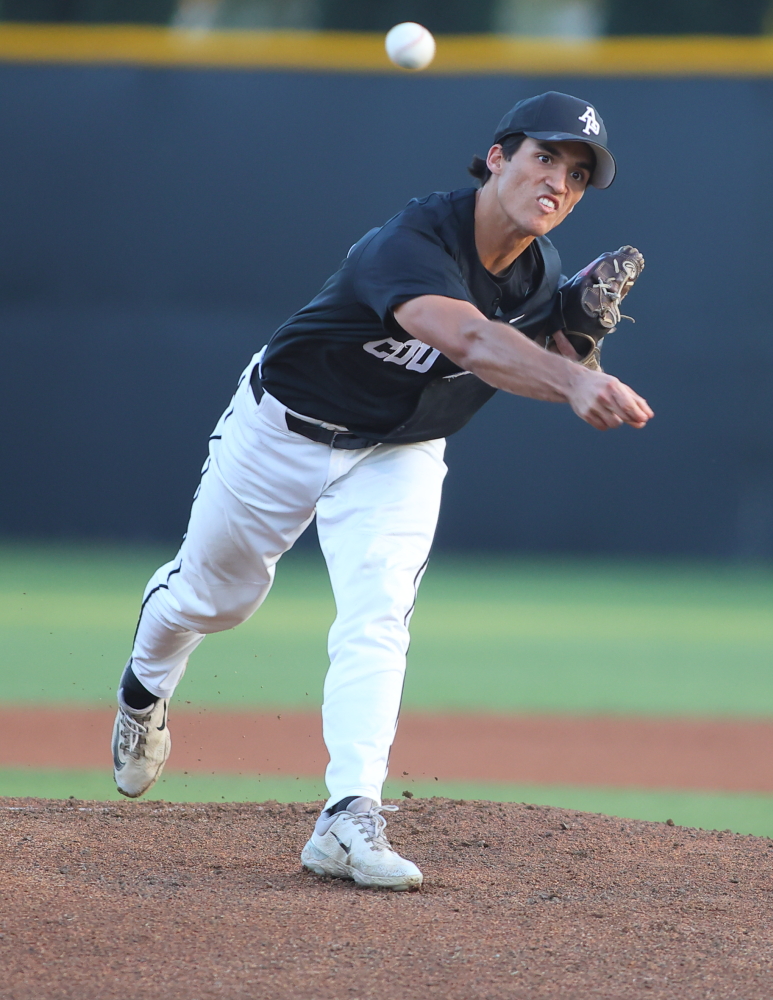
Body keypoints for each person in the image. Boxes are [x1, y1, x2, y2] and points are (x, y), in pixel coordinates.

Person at [111, 90, 653, 891]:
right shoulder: (412, 241)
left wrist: (577, 338)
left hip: (400, 451)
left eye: (577, 175)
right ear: (496, 158)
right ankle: (143, 689)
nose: (558, 182)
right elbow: (471, 340)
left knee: (378, 614)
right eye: (545, 157)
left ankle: (348, 815)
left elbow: (541, 349)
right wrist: (573, 377)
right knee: (215, 600)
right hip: (285, 431)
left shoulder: (538, 277)